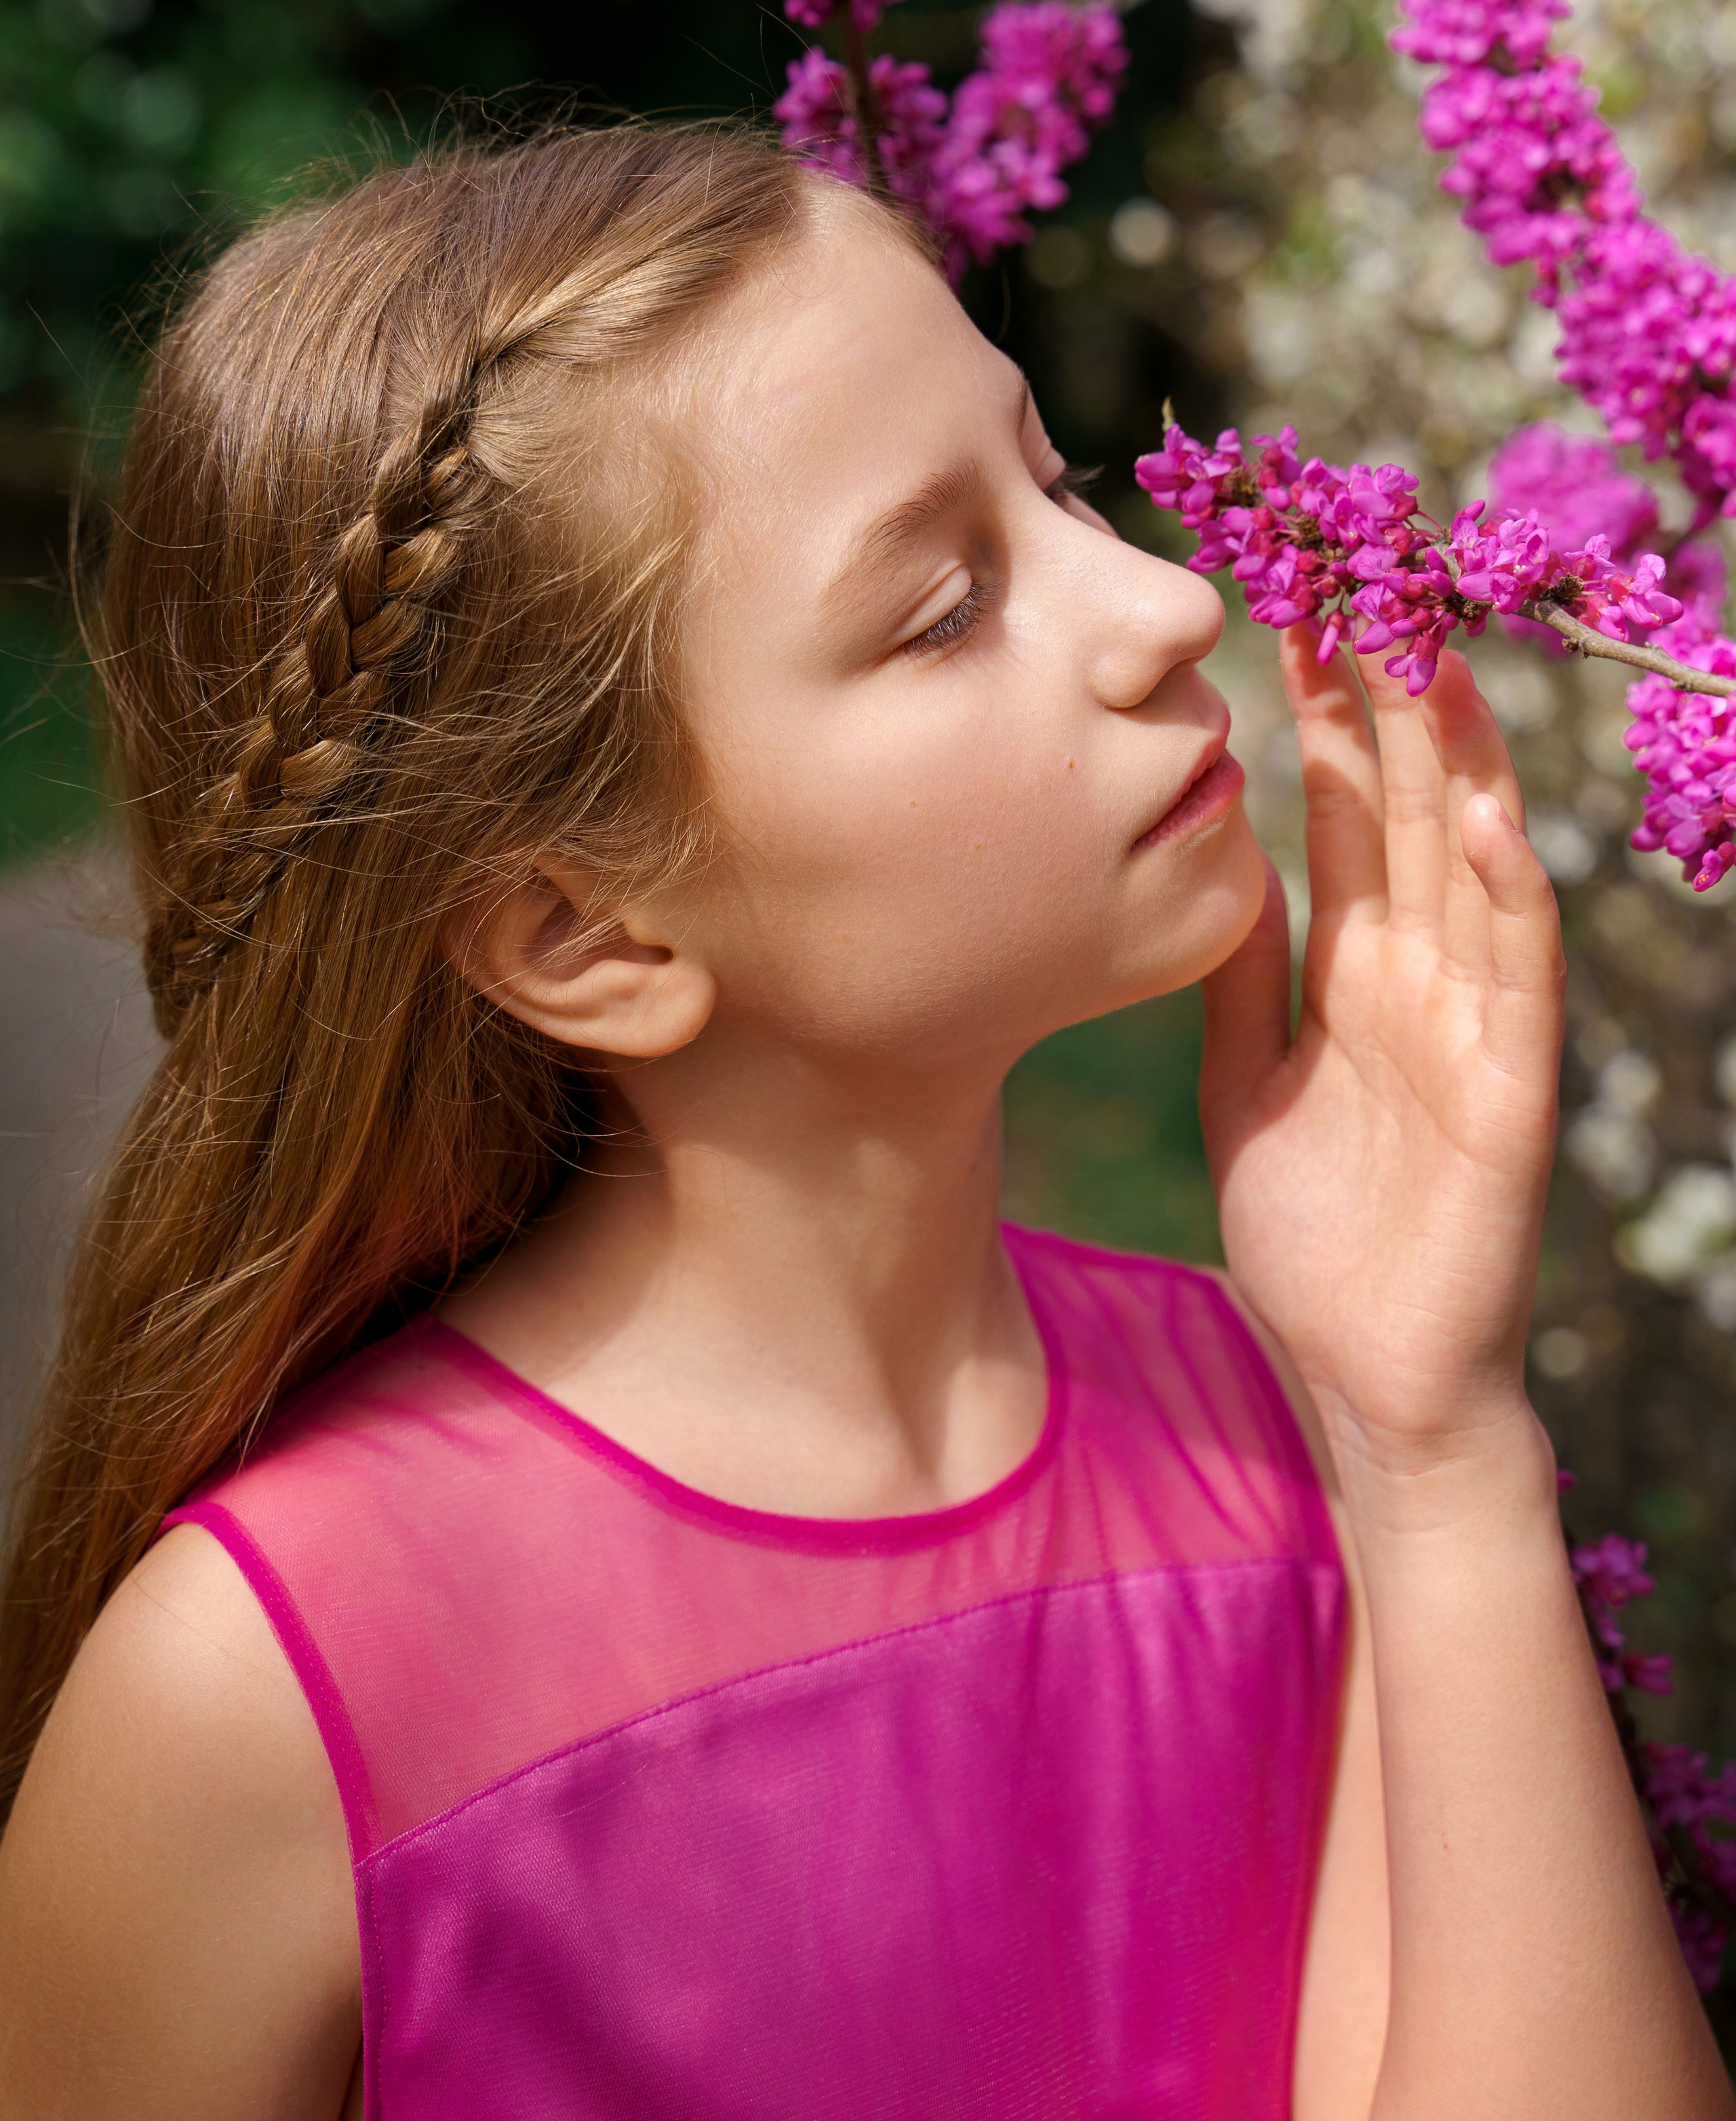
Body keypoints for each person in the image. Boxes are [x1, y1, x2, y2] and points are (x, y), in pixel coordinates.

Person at [0, 126, 1725, 2121]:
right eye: (939, 607)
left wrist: (1437, 1445)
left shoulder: (1270, 1434)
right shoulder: (256, 1706)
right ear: (583, 930)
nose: (1162, 605)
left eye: (1060, 482)